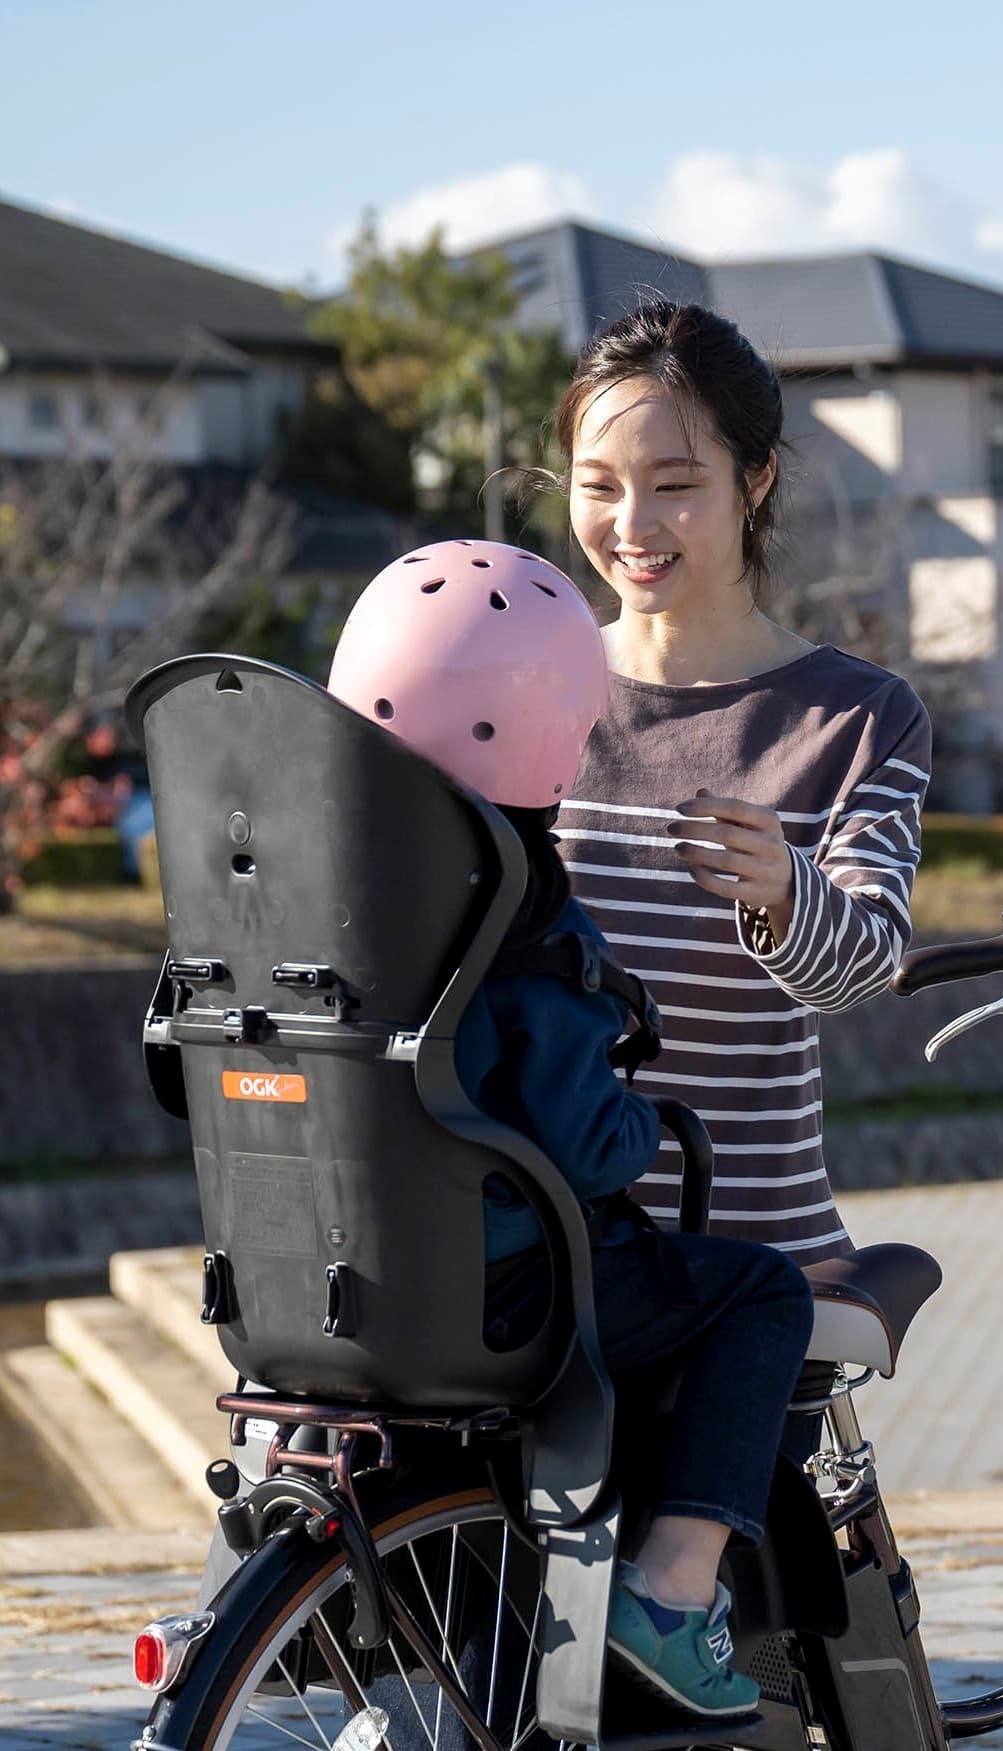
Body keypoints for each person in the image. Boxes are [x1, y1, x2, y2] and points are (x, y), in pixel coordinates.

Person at [327, 538, 812, 1719]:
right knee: (757, 1295)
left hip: (330, 1275)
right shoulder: (518, 905)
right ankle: (668, 1588)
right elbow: (584, 1143)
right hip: (502, 1287)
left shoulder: (328, 875)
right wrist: (641, 1122)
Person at [553, 303, 933, 1265]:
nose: (631, 526)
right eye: (598, 486)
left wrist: (784, 889)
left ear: (754, 480)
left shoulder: (856, 718)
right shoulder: (526, 689)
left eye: (675, 485)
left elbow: (864, 964)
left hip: (754, 1261)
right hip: (539, 1259)